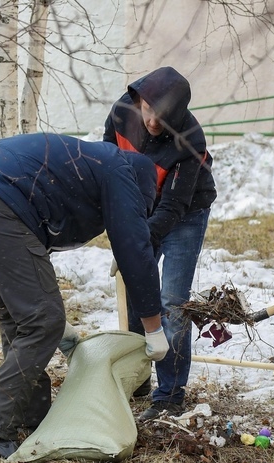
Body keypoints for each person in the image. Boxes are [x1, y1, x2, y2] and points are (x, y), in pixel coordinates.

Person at [0, 133, 170, 459]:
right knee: (43, 320)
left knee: (19, 316)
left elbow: (33, 238)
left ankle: (26, 416)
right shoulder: (121, 172)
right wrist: (153, 327)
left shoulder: (93, 165)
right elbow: (137, 250)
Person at [103, 66, 218, 421]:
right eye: (150, 111)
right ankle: (136, 377)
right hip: (140, 206)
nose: (154, 122)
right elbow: (106, 166)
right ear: (139, 100)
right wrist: (120, 229)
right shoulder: (122, 113)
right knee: (138, 292)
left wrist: (134, 246)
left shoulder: (190, 139)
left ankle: (169, 394)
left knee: (171, 302)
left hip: (185, 214)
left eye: (164, 118)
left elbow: (173, 205)